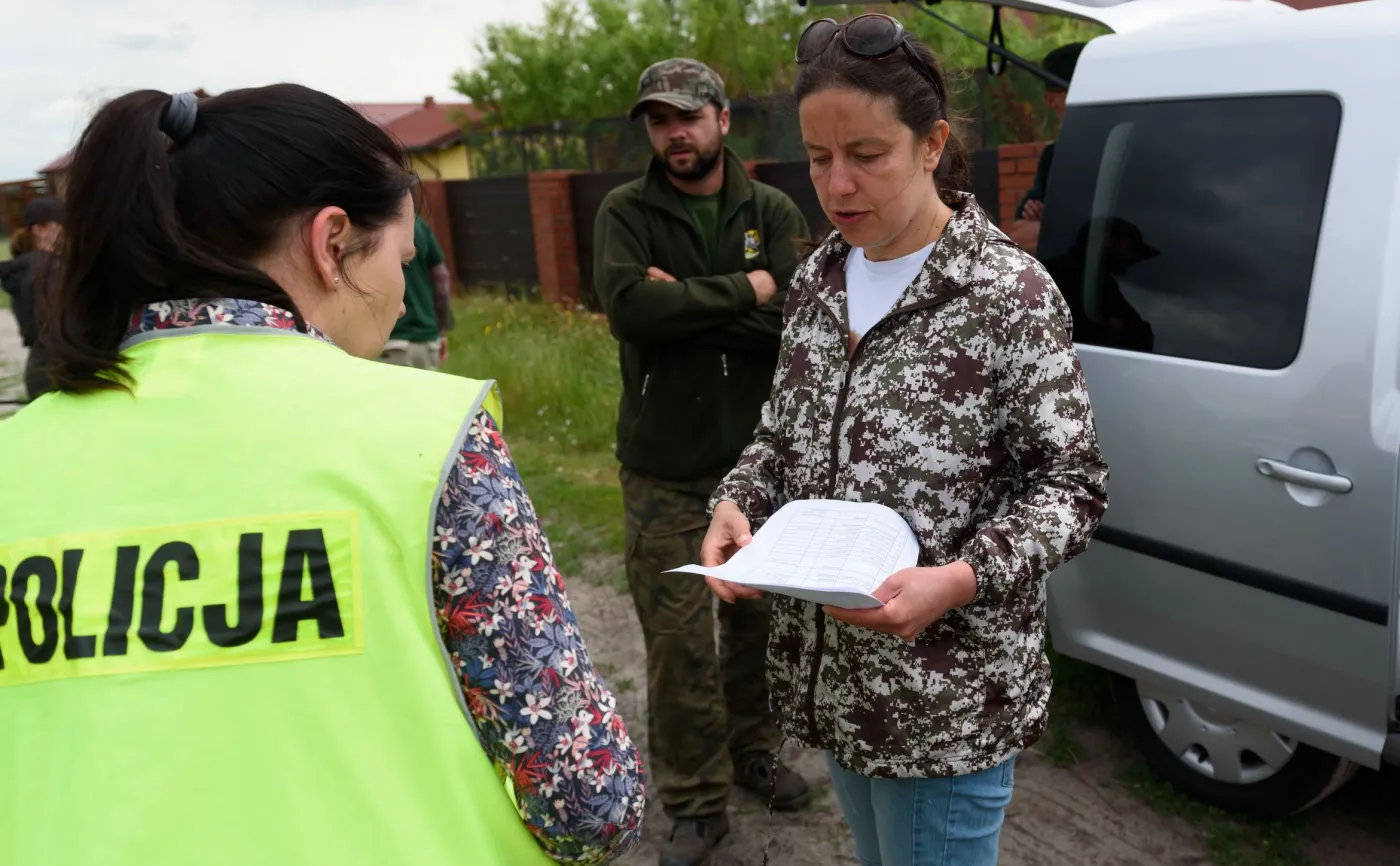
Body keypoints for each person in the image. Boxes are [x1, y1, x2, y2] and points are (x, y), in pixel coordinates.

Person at [0, 85, 643, 866]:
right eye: (400, 257)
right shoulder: (427, 438)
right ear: (331, 242)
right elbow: (586, 799)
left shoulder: (17, 460)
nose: (404, 291)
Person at [700, 15, 1109, 866]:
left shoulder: (1007, 294)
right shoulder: (820, 277)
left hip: (946, 699)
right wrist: (737, 501)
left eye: (867, 154)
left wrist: (956, 581)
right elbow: (781, 435)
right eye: (818, 158)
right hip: (839, 684)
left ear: (932, 145)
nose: (838, 185)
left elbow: (1071, 488)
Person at [593, 57, 812, 866]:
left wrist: (685, 299)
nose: (674, 133)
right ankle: (693, 800)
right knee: (677, 641)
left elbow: (795, 323)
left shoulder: (773, 208)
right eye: (659, 120)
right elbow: (628, 311)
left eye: (687, 115)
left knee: (759, 623)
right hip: (663, 467)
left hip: (752, 467)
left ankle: (754, 752)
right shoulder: (627, 210)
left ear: (722, 118)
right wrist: (745, 289)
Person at [1004, 42, 1086, 253]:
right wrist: (1032, 209)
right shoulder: (1054, 156)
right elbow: (1024, 218)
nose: (1050, 102)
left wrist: (1050, 228)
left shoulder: (1126, 150)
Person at [0, 196, 64, 399]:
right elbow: (55, 326)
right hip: (58, 372)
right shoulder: (44, 269)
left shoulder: (33, 267)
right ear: (39, 230)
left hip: (42, 368)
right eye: (63, 224)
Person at [378, 213, 454, 370]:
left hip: (390, 342)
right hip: (428, 342)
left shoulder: (368, 224)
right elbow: (441, 279)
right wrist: (441, 331)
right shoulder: (417, 225)